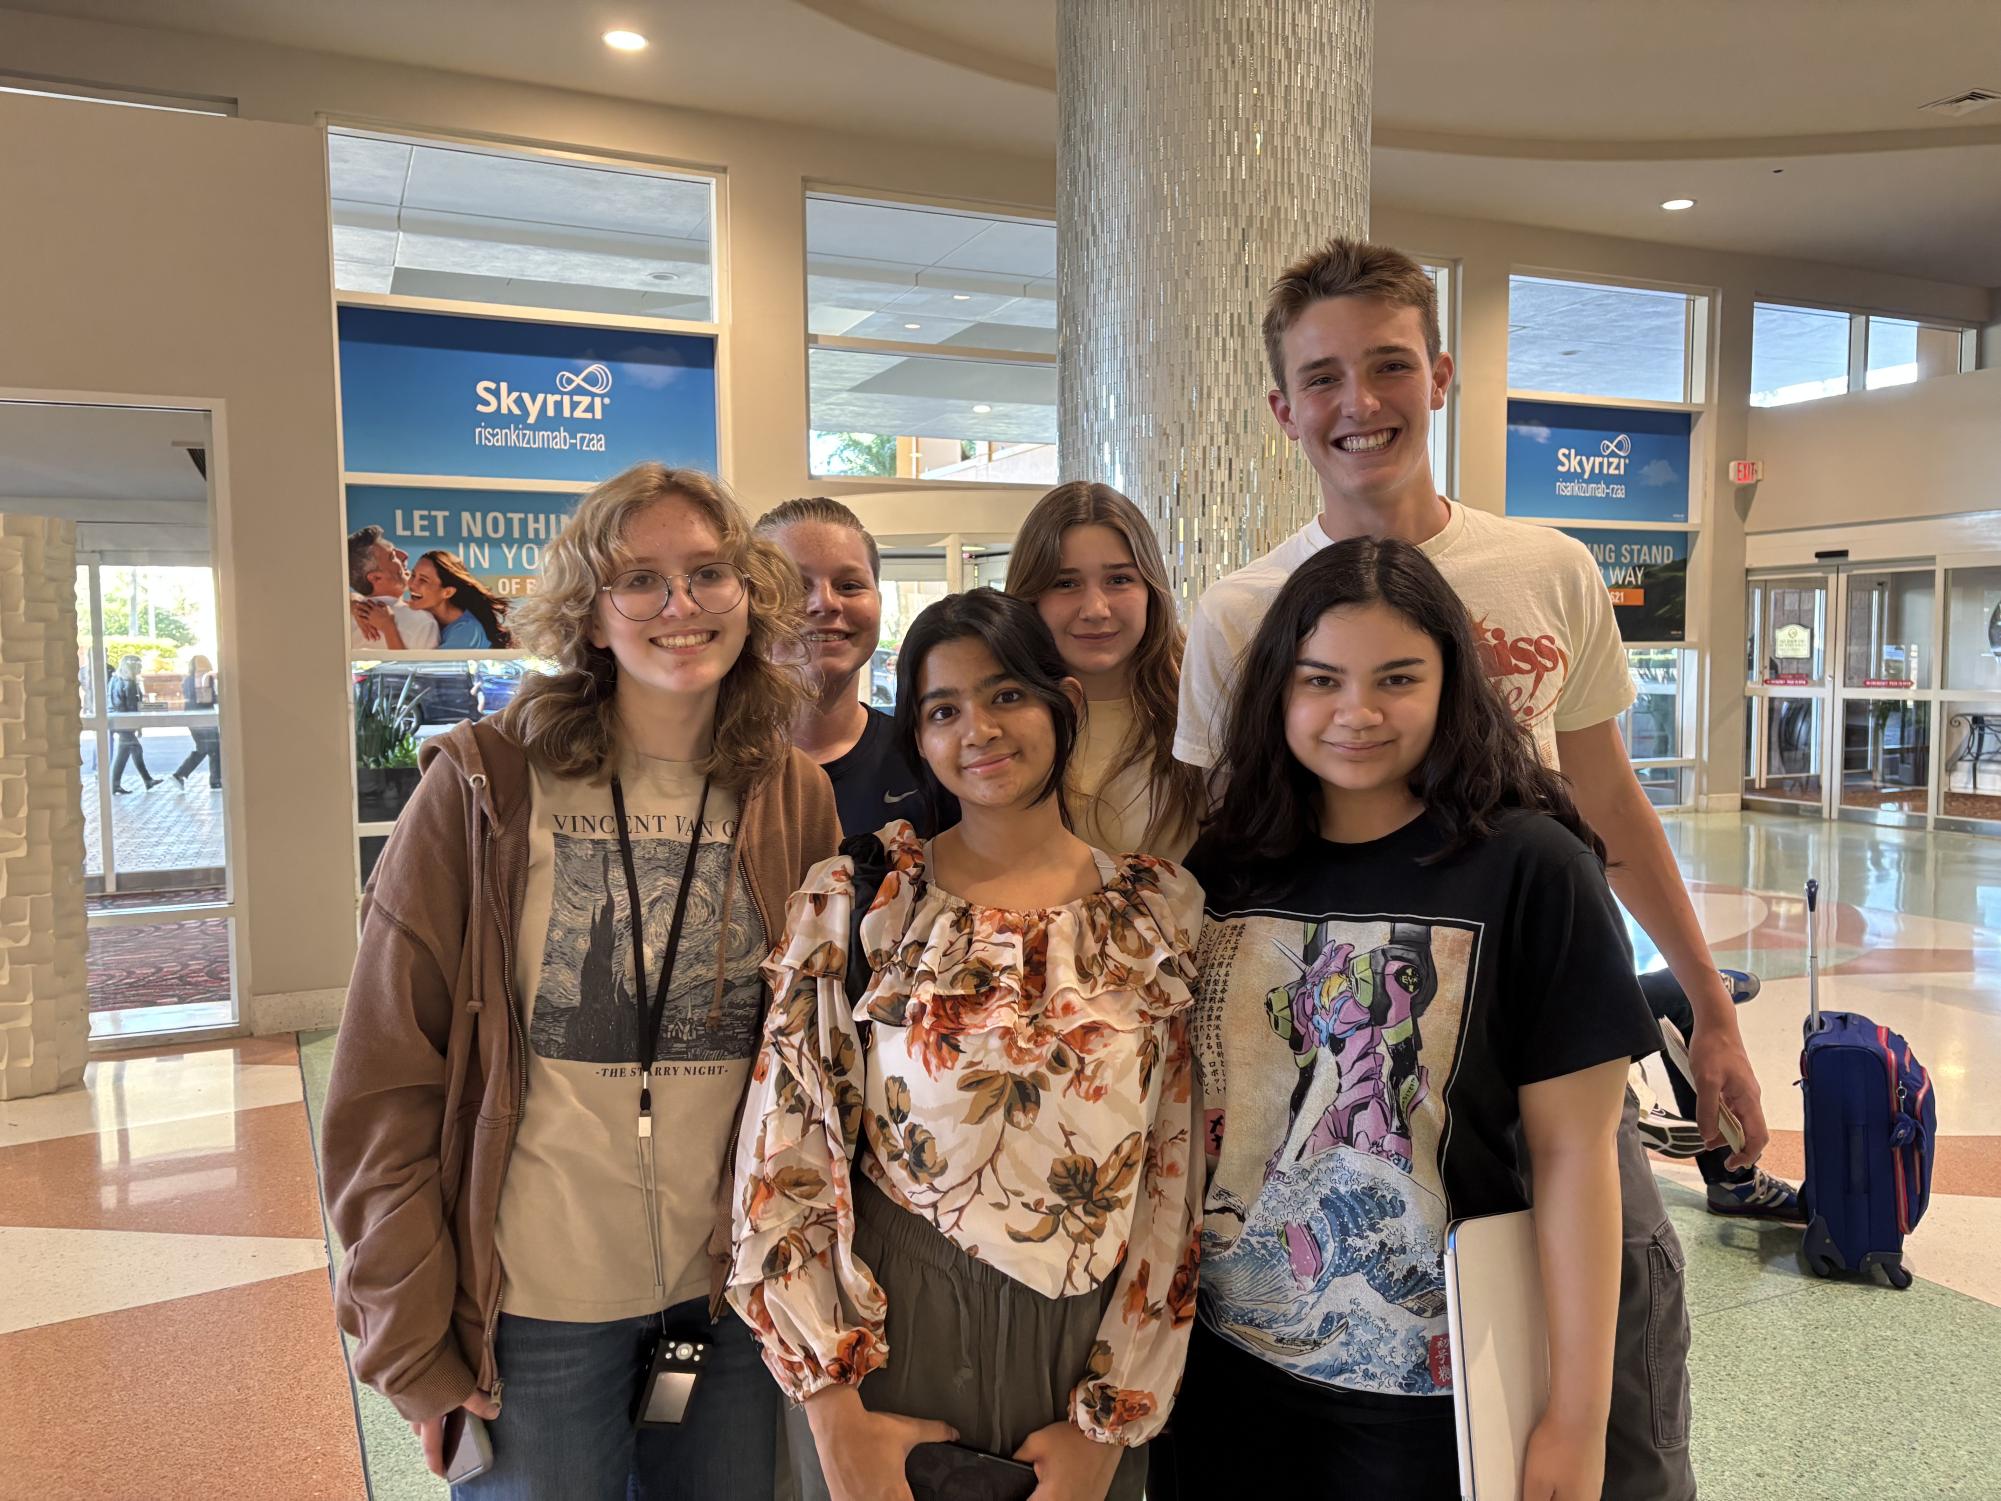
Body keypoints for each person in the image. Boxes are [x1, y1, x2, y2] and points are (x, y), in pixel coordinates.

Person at [1172, 237, 1782, 1497]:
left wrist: (1709, 1005)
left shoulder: (1545, 569)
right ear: (1283, 407)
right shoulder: (1239, 614)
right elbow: (1236, 866)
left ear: (1439, 375)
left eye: (1390, 365)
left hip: (1543, 1053)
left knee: (1607, 1395)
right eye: (1324, 377)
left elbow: (1610, 801)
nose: (1361, 403)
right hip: (1350, 1119)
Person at [319, 462, 840, 1499]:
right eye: (638, 579)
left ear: (748, 596)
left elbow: (813, 1061)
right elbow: (386, 1079)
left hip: (730, 1298)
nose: (678, 604)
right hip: (536, 1306)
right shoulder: (485, 784)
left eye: (708, 573)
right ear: (592, 617)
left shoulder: (791, 794)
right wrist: (411, 1337)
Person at [1161, 537, 1659, 1501]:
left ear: (1449, 685)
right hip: (1224, 1369)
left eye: (1397, 677)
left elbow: (1573, 1157)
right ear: (1276, 691)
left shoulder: (1532, 868)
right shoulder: (1229, 864)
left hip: (1435, 1386)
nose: (1356, 712)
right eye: (1320, 679)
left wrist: (1576, 1415)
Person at [728, 589, 1201, 1501]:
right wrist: (832, 1406)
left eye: (1006, 695)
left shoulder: (1152, 911)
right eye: (943, 709)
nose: (978, 730)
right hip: (894, 1331)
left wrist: (1114, 1411)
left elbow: (1175, 1168)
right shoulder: (862, 900)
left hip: (1081, 1346)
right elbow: (784, 1150)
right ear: (920, 738)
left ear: (1061, 700)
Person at [1004, 482, 1205, 861]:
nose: (1095, 609)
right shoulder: (996, 714)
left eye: (1119, 580)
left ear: (1151, 588)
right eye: (1066, 583)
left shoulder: (1203, 702)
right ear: (1030, 595)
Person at [756, 497, 954, 838]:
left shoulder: (932, 762)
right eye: (793, 587)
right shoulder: (704, 770)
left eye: (849, 585)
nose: (825, 602)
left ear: (878, 600)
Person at [348, 524, 441, 651]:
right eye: (392, 556)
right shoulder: (423, 623)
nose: (404, 555)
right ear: (376, 578)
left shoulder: (343, 621)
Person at [409, 550, 515, 650]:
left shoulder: (466, 632)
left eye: (423, 580)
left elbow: (430, 668)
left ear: (448, 592)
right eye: (413, 575)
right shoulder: (429, 619)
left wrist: (391, 625)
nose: (412, 584)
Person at [107, 654, 161, 792]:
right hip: (125, 722)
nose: (141, 667)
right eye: (139, 665)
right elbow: (132, 707)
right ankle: (143, 781)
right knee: (133, 750)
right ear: (132, 666)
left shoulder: (115, 679)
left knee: (128, 752)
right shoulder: (129, 683)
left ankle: (119, 784)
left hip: (118, 720)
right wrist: (138, 724)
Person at [172, 653, 222, 790]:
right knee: (209, 747)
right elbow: (206, 698)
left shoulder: (188, 679)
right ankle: (181, 774)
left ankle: (216, 779)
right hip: (204, 717)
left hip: (192, 717)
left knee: (213, 748)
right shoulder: (206, 677)